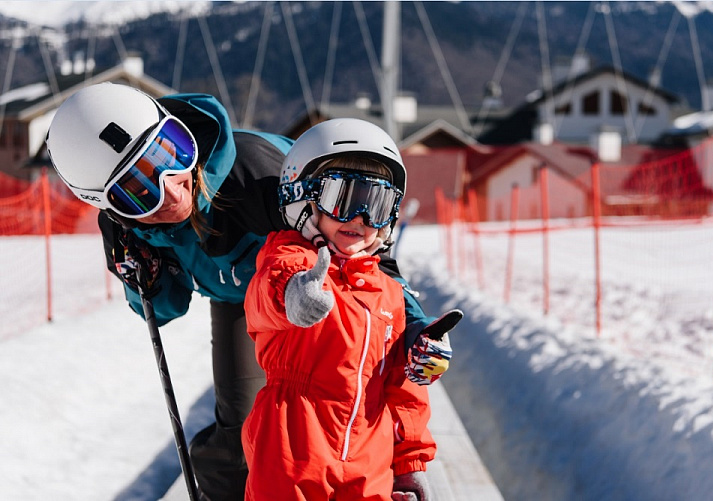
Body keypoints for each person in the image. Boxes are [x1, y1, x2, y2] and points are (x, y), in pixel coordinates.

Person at [45, 83, 459, 500]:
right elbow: (168, 307)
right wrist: (146, 280)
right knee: (240, 429)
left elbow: (366, 254)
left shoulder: (259, 175)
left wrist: (414, 328)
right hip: (246, 297)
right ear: (109, 205)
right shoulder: (125, 232)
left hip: (317, 286)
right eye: (138, 190)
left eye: (169, 155)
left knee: (348, 399)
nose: (172, 189)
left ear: (178, 132)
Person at [241, 118, 461, 500]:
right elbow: (267, 292)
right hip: (292, 448)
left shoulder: (389, 293)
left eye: (376, 205)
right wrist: (293, 293)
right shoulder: (294, 261)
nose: (360, 219)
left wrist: (409, 464)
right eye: (343, 199)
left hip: (368, 455)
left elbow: (402, 389)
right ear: (305, 199)